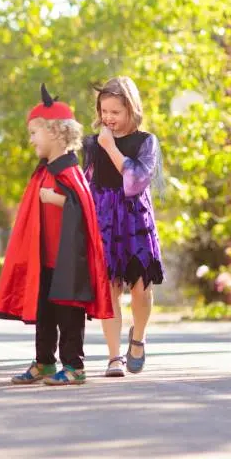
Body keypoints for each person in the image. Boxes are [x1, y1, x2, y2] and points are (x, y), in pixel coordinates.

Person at [0, 84, 113, 385]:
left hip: (68, 261)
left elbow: (85, 211)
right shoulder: (44, 171)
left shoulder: (69, 172)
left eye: (35, 132)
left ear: (56, 133)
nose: (31, 139)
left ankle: (74, 366)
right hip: (45, 257)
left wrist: (60, 200)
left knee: (68, 313)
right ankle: (44, 362)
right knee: (44, 311)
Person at [83, 76, 164, 376]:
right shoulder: (93, 144)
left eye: (115, 112)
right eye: (104, 111)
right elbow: (87, 184)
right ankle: (113, 355)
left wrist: (111, 148)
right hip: (105, 220)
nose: (108, 118)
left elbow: (135, 182)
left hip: (134, 219)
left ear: (131, 109)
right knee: (110, 288)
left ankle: (138, 338)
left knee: (141, 288)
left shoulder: (146, 142)